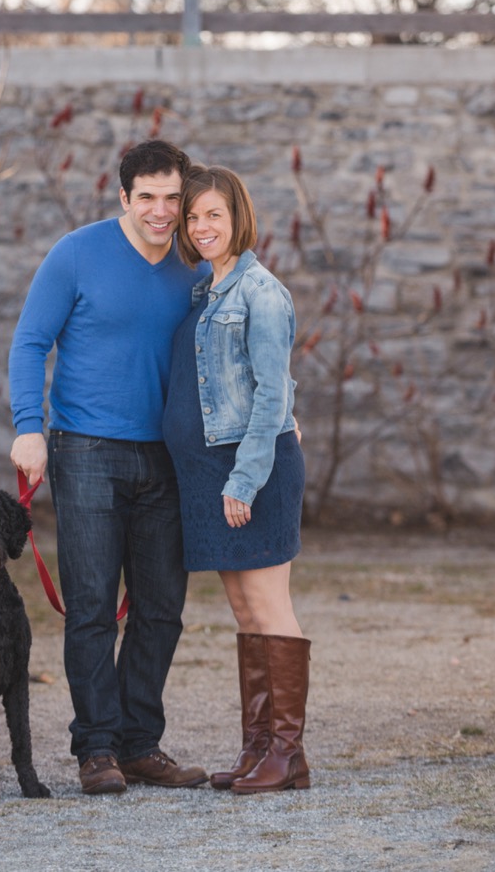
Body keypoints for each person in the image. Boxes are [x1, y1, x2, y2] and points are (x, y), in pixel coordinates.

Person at [9, 139, 209, 796]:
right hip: (85, 450)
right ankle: (96, 748)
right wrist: (27, 429)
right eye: (146, 197)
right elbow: (31, 341)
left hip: (171, 458)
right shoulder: (76, 254)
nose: (160, 211)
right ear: (123, 196)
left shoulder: (194, 264)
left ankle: (139, 742)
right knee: (92, 606)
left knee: (161, 607)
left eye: (172, 198)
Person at [162, 165, 311, 795]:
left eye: (213, 215)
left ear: (238, 217)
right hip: (213, 474)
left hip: (254, 471)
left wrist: (244, 482)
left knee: (270, 605)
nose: (201, 228)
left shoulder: (261, 291)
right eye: (193, 217)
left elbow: (272, 393)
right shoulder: (208, 290)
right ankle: (260, 750)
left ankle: (287, 752)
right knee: (244, 609)